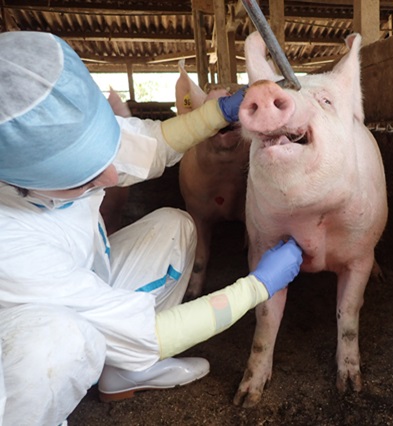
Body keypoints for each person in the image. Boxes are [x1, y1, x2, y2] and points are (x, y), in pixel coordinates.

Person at [0, 31, 303, 425]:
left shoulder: (47, 140)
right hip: (23, 326)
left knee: (175, 226)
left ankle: (125, 372)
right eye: (87, 177)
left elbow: (149, 143)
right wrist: (257, 286)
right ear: (24, 179)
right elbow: (151, 332)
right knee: (55, 345)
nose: (112, 175)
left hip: (82, 275)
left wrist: (220, 113)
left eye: (103, 148)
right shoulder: (11, 243)